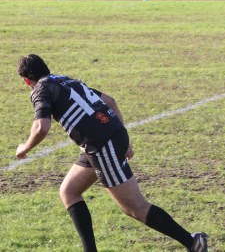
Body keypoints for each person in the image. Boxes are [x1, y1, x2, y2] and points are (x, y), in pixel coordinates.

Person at [14, 54, 208, 252]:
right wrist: (123, 138)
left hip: (101, 145)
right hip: (103, 140)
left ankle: (193, 242)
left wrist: (25, 147)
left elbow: (41, 127)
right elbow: (110, 101)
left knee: (135, 207)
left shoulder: (40, 90)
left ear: (26, 80)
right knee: (69, 191)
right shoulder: (65, 79)